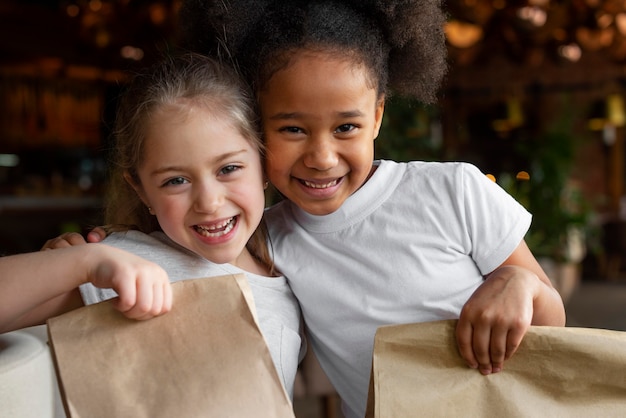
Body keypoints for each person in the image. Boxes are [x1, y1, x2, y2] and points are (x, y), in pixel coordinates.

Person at [47, 1, 565, 416]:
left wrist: (517, 284)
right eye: (292, 128)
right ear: (255, 128)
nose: (321, 157)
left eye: (346, 127)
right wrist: (90, 251)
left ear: (379, 114)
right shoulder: (271, 241)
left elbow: (554, 321)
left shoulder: (454, 191)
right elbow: (190, 240)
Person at [8, 53, 304, 399]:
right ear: (141, 189)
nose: (208, 201)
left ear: (263, 162)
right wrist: (81, 263)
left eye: (228, 169)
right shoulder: (127, 267)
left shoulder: (289, 269)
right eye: (176, 180)